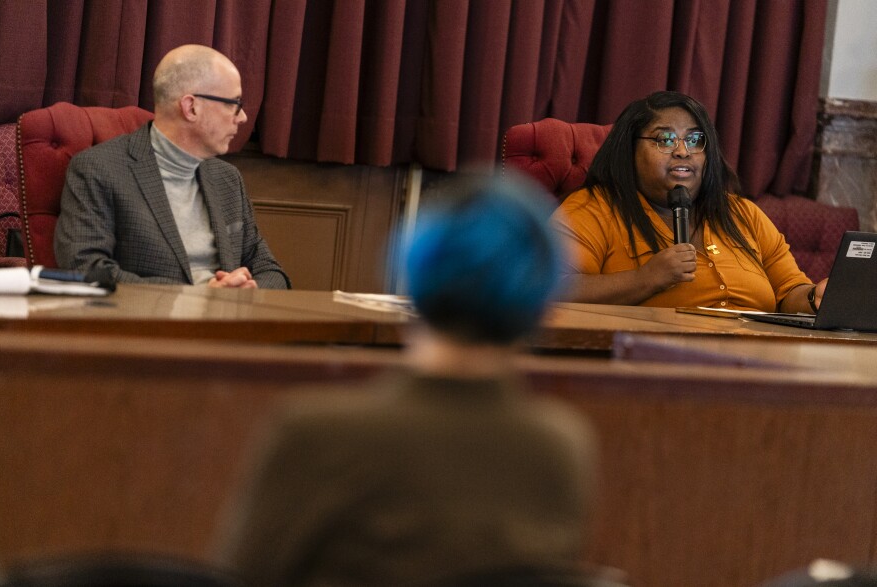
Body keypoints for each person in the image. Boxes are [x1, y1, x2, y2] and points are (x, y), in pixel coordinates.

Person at [213, 173, 599, 586]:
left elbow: (242, 575)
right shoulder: (562, 444)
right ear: (542, 301)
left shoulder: (317, 432)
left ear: (413, 271)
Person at [551, 90, 823, 313]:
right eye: (665, 139)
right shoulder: (593, 209)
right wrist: (643, 280)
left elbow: (789, 291)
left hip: (757, 363)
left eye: (695, 140)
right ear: (629, 150)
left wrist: (815, 298)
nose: (683, 151)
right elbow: (547, 288)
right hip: (652, 365)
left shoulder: (742, 213)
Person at [54, 44, 290, 289]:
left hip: (228, 321)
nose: (242, 118)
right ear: (191, 107)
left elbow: (271, 271)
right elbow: (85, 268)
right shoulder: (98, 169)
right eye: (234, 104)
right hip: (148, 324)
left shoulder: (227, 179)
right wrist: (198, 297)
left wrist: (245, 292)